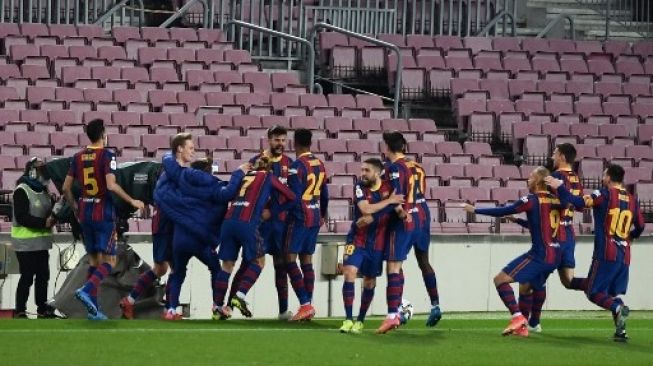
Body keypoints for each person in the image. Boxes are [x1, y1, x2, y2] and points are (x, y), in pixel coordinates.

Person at [546, 164, 646, 342]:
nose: (602, 178)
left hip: (605, 253)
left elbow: (578, 203)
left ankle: (616, 308)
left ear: (608, 177)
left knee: (593, 292)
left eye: (604, 175)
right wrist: (631, 236)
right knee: (610, 294)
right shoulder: (632, 199)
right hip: (624, 256)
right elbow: (641, 225)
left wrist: (559, 186)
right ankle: (621, 331)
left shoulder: (604, 194)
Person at [154, 134, 247, 320]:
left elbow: (164, 191)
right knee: (216, 269)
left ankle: (171, 309)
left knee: (177, 272)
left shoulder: (177, 180)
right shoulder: (202, 181)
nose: (193, 151)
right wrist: (239, 173)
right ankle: (217, 306)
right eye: (191, 148)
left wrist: (167, 156)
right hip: (200, 238)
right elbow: (225, 194)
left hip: (179, 237)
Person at [463, 167, 562, 337]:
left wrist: (475, 210)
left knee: (500, 280)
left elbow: (504, 210)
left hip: (540, 253)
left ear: (539, 181)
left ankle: (518, 318)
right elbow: (541, 226)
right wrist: (517, 221)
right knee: (526, 288)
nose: (528, 179)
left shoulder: (531, 199)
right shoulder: (555, 200)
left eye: (531, 177)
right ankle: (524, 327)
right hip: (556, 254)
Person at [62, 119, 145, 320]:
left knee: (94, 260)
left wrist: (74, 206)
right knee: (110, 260)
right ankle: (86, 289)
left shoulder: (78, 157)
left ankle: (93, 310)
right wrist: (132, 200)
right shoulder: (107, 155)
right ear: (103, 134)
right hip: (102, 211)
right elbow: (111, 185)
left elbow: (65, 187)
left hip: (84, 211)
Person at [214, 155, 296, 319]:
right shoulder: (268, 176)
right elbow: (291, 197)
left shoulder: (243, 176)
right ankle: (240, 295)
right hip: (248, 223)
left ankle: (217, 308)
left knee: (227, 266)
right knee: (259, 261)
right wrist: (273, 211)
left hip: (229, 222)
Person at [517, 143, 585, 332]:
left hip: (554, 235)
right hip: (570, 233)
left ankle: (527, 322)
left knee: (529, 281)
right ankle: (600, 289)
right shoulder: (576, 179)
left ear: (562, 156)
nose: (552, 156)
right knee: (568, 281)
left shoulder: (554, 177)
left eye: (555, 153)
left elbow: (546, 203)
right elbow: (578, 205)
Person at [339, 158, 404, 334]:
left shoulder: (389, 188)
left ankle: (360, 320)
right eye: (362, 170)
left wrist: (399, 210)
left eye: (367, 170)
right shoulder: (360, 186)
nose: (363, 174)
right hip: (357, 239)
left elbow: (399, 209)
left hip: (377, 243)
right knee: (349, 272)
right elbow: (366, 209)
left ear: (378, 172)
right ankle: (347, 319)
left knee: (369, 281)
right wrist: (389, 202)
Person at [283, 128, 329, 321]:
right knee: (306, 260)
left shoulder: (296, 166)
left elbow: (294, 196)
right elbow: (325, 193)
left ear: (295, 143)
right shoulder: (320, 164)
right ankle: (307, 306)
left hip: (300, 216)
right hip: (315, 215)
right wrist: (323, 213)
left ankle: (305, 303)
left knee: (289, 258)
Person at [377, 131, 418, 334]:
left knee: (392, 267)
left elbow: (396, 195)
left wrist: (400, 212)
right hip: (408, 223)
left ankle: (392, 315)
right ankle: (398, 309)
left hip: (398, 223)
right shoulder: (409, 166)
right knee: (397, 267)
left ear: (388, 148)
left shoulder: (394, 168)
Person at [120, 173, 174, 319]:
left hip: (160, 228)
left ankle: (129, 301)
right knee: (175, 269)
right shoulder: (170, 185)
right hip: (165, 230)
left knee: (160, 269)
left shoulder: (163, 186)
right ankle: (169, 310)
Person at [10, 157, 57, 319]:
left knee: (43, 276)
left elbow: (50, 213)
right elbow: (22, 217)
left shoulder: (45, 191)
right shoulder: (21, 190)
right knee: (28, 276)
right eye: (40, 169)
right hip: (25, 244)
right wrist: (44, 223)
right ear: (31, 171)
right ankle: (20, 310)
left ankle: (42, 308)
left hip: (42, 244)